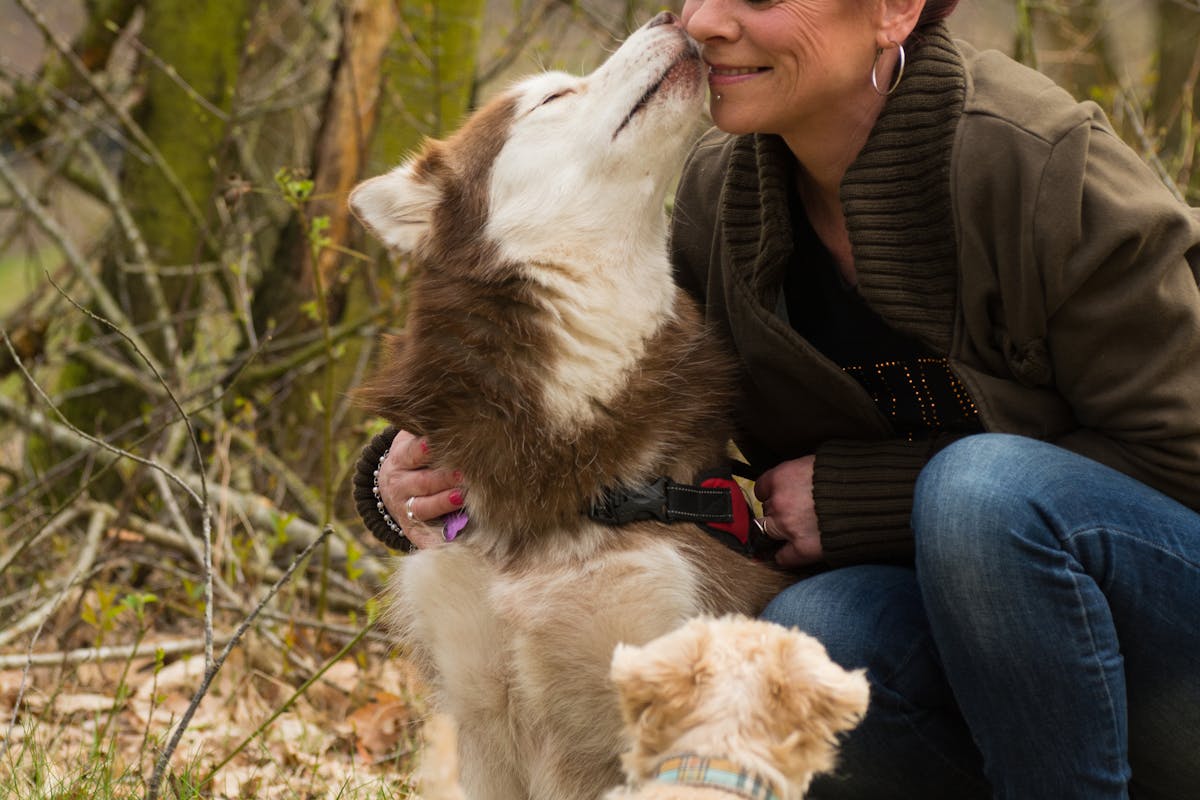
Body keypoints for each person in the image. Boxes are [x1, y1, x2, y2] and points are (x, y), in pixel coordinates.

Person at [353, 1, 1200, 797]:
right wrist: (418, 470)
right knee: (801, 637)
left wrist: (868, 499)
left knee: (978, 494)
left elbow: (1182, 454)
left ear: (895, 9)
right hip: (993, 667)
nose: (703, 21)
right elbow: (580, 376)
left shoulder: (1041, 165)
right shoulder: (723, 199)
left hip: (1168, 650)